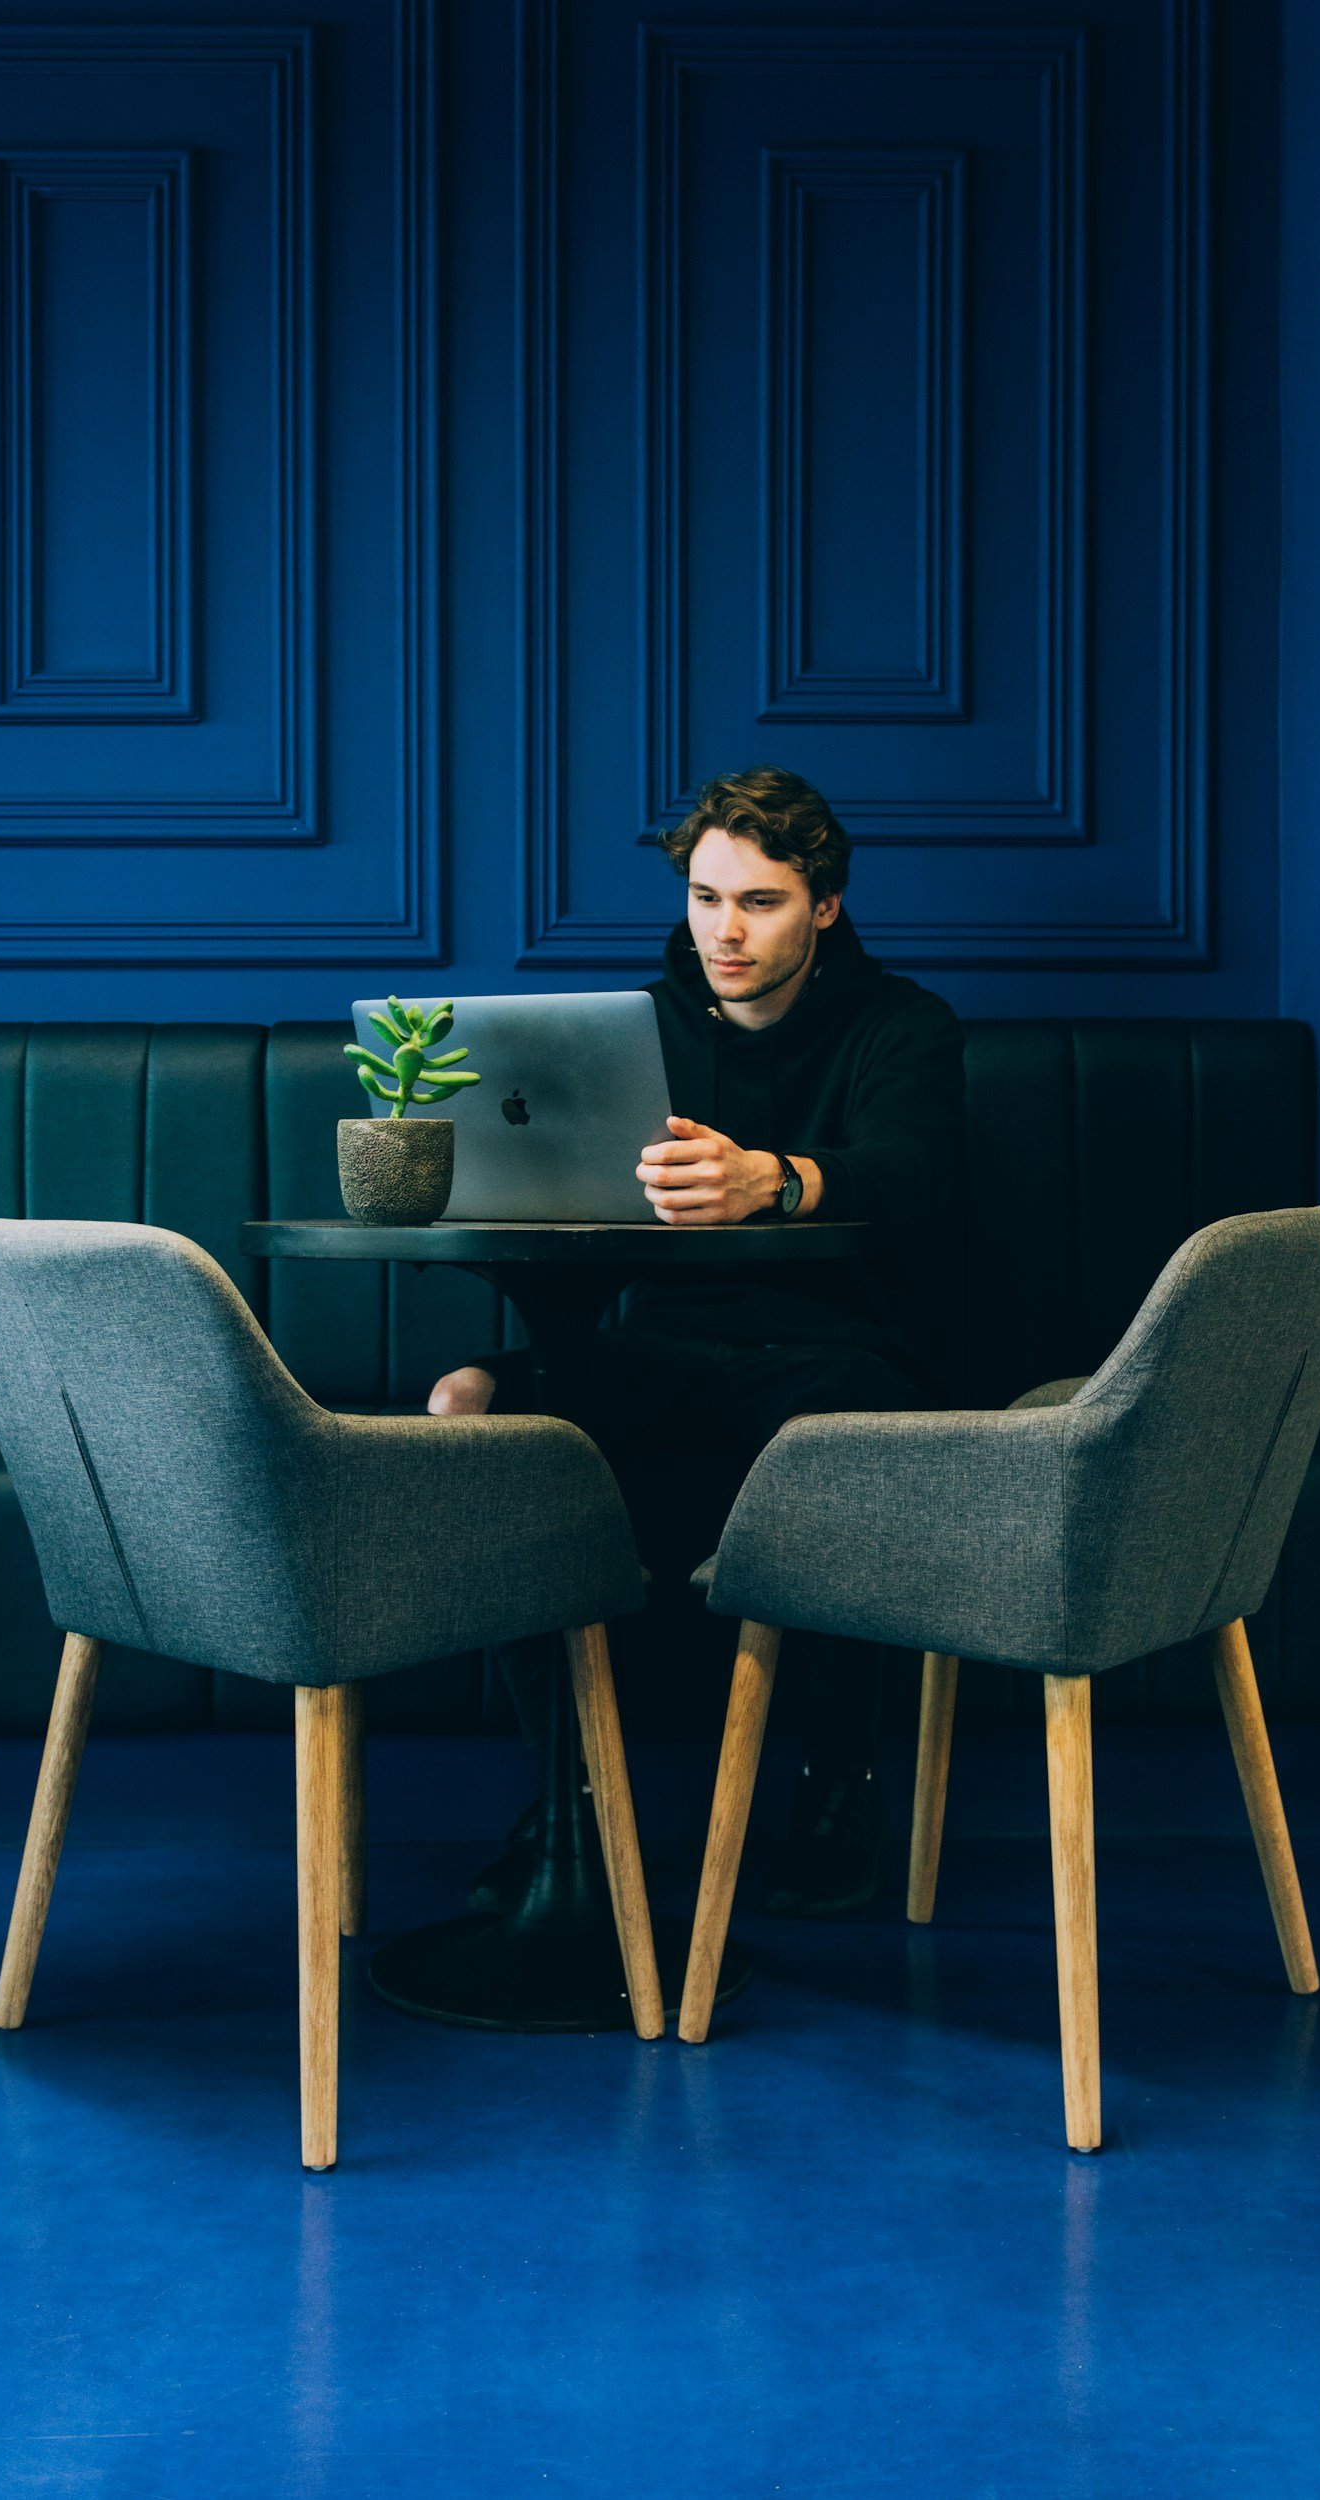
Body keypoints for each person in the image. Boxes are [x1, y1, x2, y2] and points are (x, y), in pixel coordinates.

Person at [429, 765, 963, 1914]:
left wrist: (773, 1180)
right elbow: (588, 1228)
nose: (726, 929)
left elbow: (912, 1178)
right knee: (474, 1408)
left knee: (844, 1427)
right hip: (665, 1351)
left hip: (836, 1352)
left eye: (760, 902)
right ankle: (571, 1792)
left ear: (823, 905)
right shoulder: (635, 1034)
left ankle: (839, 1781)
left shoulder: (902, 1026)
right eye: (707, 897)